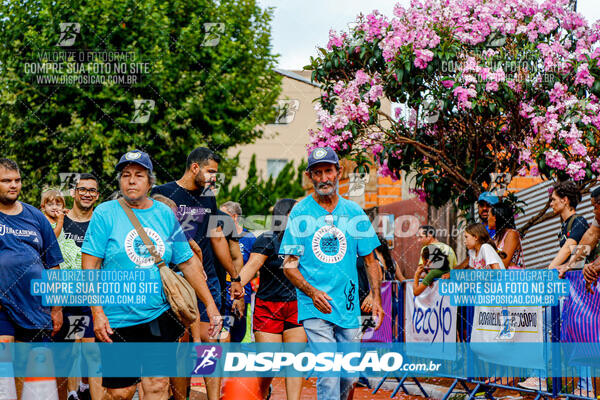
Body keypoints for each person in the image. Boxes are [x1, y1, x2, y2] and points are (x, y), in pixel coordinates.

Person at [81, 150, 221, 400]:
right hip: (116, 319)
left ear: (149, 181)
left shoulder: (164, 214)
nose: (131, 180)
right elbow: (89, 266)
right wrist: (97, 312)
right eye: (126, 175)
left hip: (158, 315)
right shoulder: (105, 213)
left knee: (157, 386)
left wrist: (210, 306)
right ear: (120, 180)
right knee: (121, 392)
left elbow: (187, 263)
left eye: (138, 175)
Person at [280, 147, 384, 400]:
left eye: (328, 171)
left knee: (349, 374)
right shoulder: (300, 214)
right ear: (310, 177)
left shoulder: (354, 213)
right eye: (317, 173)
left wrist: (376, 298)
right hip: (315, 305)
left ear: (338, 173)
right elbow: (289, 265)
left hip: (348, 306)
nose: (324, 178)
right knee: (328, 371)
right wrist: (312, 292)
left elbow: (371, 261)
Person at [150, 147, 242, 400]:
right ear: (194, 168)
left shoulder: (208, 195)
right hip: (172, 277)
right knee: (180, 344)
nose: (214, 177)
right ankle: (181, 397)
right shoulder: (162, 193)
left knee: (209, 340)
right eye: (211, 171)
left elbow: (217, 237)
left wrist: (235, 277)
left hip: (207, 276)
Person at [0, 158, 64, 398]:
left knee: (36, 376)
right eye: (6, 181)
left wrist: (56, 307)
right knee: (4, 370)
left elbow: (53, 266)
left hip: (36, 307)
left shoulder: (36, 217)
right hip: (3, 307)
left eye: (17, 180)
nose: (13, 185)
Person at [238, 198, 306, 400]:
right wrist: (236, 284)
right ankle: (261, 393)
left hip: (297, 305)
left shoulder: (305, 240)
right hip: (268, 306)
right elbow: (251, 266)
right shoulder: (268, 239)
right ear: (284, 215)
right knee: (270, 364)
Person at [47, 174, 103, 400]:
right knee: (66, 358)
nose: (87, 193)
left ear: (97, 196)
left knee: (93, 357)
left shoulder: (101, 223)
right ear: (73, 192)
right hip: (65, 302)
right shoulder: (57, 222)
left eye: (92, 190)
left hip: (94, 302)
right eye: (82, 189)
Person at [220, 201, 255, 343]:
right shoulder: (218, 236)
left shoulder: (249, 238)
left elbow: (255, 266)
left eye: (223, 215)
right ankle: (218, 363)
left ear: (234, 217)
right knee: (220, 331)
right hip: (221, 292)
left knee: (239, 335)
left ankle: (234, 362)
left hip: (242, 293)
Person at [40, 189, 81, 270]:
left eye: (58, 205)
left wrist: (63, 211)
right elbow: (52, 238)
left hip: (65, 246)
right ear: (43, 207)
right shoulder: (45, 219)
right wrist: (60, 221)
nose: (54, 207)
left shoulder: (57, 215)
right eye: (50, 204)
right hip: (55, 251)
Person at [413, 225, 457, 296]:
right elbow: (454, 268)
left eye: (421, 237)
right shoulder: (449, 248)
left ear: (429, 236)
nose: (419, 240)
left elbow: (422, 270)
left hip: (433, 295)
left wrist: (418, 275)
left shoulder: (426, 249)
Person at [488, 203, 524, 269]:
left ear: (495, 217)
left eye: (488, 216)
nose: (487, 219)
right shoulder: (495, 238)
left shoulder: (511, 234)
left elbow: (504, 263)